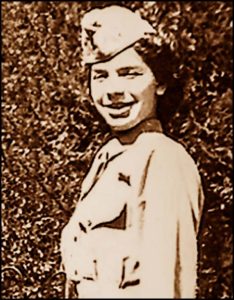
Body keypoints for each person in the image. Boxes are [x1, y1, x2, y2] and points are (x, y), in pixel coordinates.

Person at [60, 5, 204, 298]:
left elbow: (168, 285)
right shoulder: (108, 160)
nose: (112, 90)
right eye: (101, 76)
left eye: (129, 74)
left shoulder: (162, 158)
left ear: (160, 83)